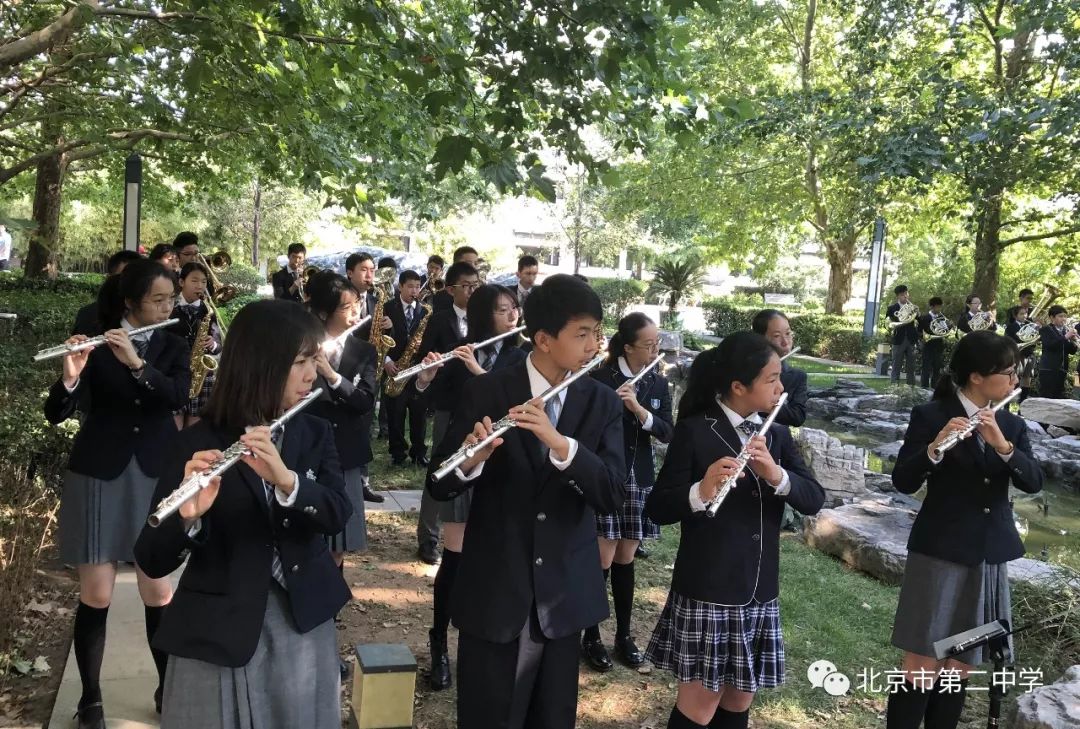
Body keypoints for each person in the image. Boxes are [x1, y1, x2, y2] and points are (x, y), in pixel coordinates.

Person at [133, 299, 352, 729]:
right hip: (218, 628)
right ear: (261, 365)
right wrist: (187, 517)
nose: (312, 374)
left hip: (301, 620)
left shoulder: (314, 430)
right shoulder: (198, 442)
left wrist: (289, 483)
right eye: (301, 362)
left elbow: (337, 513)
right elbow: (152, 557)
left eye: (315, 360)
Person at [426, 273, 625, 729]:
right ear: (543, 339)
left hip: (563, 596)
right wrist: (470, 460)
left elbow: (611, 494)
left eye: (598, 331)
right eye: (582, 334)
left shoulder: (601, 402)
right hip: (495, 591)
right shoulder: (489, 390)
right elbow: (439, 484)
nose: (595, 343)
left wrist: (562, 446)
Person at [643, 334, 824, 729]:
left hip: (759, 588)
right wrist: (700, 491)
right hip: (710, 588)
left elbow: (813, 499)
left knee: (740, 698)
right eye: (773, 380)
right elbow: (657, 508)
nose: (782, 389)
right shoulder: (695, 431)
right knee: (700, 703)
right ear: (739, 387)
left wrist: (777, 475)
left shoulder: (775, 435)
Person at [43, 260, 190, 728]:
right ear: (130, 302)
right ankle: (90, 700)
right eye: (159, 300)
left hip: (154, 471)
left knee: (157, 590)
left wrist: (138, 363)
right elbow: (56, 412)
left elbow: (175, 397)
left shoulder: (172, 343)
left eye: (171, 299)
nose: (170, 307)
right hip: (99, 471)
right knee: (98, 593)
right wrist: (70, 376)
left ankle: (168, 687)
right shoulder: (96, 339)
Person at [886, 331, 1042, 729]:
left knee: (961, 662)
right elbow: (903, 480)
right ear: (976, 376)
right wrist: (935, 448)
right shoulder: (931, 415)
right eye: (1008, 373)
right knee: (923, 659)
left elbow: (1033, 481)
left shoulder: (1008, 422)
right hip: (940, 551)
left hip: (988, 555)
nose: (1015, 381)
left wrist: (1003, 446)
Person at [413, 283, 526, 690]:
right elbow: (430, 402)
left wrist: (481, 373)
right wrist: (425, 378)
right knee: (455, 557)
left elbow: (514, 402)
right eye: (502, 310)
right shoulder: (461, 350)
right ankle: (439, 643)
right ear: (483, 315)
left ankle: (485, 642)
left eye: (514, 308)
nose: (512, 316)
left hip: (506, 465)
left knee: (495, 559)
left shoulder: (524, 356)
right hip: (464, 460)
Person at [580, 313, 673, 674]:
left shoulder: (657, 383)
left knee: (626, 557)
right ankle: (591, 635)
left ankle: (623, 635)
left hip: (640, 477)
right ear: (629, 346)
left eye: (656, 344)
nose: (654, 350)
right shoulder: (602, 378)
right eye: (648, 345)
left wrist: (638, 409)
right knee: (602, 557)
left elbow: (667, 431)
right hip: (608, 475)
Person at [305, 272, 378, 570]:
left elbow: (364, 401)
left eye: (358, 305)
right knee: (307, 534)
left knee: (339, 543)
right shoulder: (302, 345)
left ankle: (331, 609)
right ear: (323, 312)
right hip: (307, 450)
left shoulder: (364, 351)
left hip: (346, 452)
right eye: (347, 308)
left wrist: (333, 376)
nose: (356, 312)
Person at [413, 261, 480, 564]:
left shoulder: (484, 320)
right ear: (451, 289)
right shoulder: (439, 319)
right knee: (439, 470)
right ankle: (428, 537)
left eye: (476, 284)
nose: (472, 290)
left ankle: (468, 534)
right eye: (467, 285)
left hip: (478, 407)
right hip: (448, 404)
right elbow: (423, 357)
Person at [382, 269, 430, 467]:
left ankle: (419, 452)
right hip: (395, 368)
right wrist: (386, 361)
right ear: (400, 286)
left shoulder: (425, 310)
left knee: (419, 413)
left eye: (418, 286)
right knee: (396, 413)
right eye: (410, 286)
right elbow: (377, 338)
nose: (414, 290)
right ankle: (398, 453)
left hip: (418, 370)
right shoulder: (387, 307)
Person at [169, 262, 223, 428]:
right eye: (194, 281)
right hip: (175, 370)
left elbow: (218, 345)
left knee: (195, 425)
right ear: (181, 282)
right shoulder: (170, 307)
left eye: (203, 282)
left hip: (200, 373)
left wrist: (212, 343)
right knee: (174, 419)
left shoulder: (207, 311)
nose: (199, 286)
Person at [750, 309, 807, 426]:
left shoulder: (797, 377)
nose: (785, 342)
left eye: (788, 334)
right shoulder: (745, 368)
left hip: (773, 436)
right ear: (760, 338)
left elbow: (798, 417)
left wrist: (767, 403)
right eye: (777, 336)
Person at [72, 250, 143, 336]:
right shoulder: (88, 314)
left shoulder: (149, 314)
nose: (130, 285)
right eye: (124, 278)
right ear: (108, 279)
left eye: (137, 279)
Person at [1038, 305, 1079, 398]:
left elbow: (1072, 351)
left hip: (1062, 369)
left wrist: (1074, 341)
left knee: (1057, 397)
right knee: (1046, 396)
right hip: (1048, 369)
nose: (1064, 319)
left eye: (1065, 316)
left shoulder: (1065, 331)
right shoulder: (1046, 329)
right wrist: (1065, 337)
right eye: (1060, 316)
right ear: (1052, 317)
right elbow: (1050, 345)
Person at [886, 285, 920, 385]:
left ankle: (911, 389)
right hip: (898, 339)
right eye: (902, 295)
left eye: (906, 293)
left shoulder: (913, 307)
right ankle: (894, 388)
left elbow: (919, 321)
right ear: (898, 296)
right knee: (896, 365)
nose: (905, 296)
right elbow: (888, 324)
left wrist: (918, 313)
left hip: (911, 339)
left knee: (911, 367)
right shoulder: (892, 308)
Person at [431, 246, 479, 313]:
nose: (473, 267)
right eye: (468, 263)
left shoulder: (480, 291)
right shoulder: (442, 296)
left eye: (476, 263)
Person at [1004, 306, 1035, 401]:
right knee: (1013, 379)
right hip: (1017, 355)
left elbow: (1036, 340)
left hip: (1029, 355)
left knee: (1027, 380)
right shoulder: (1011, 327)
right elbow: (1009, 341)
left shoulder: (1030, 326)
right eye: (1021, 314)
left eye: (1026, 313)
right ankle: (1007, 405)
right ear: (1015, 315)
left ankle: (1022, 404)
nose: (1024, 316)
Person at [918, 297, 949, 389]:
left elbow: (944, 330)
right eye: (937, 307)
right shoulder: (925, 317)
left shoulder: (941, 318)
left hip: (938, 345)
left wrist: (949, 327)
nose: (939, 309)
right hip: (928, 345)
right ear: (932, 307)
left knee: (937, 368)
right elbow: (919, 331)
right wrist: (922, 338)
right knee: (926, 368)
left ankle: (935, 387)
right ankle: (924, 387)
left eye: (940, 307)